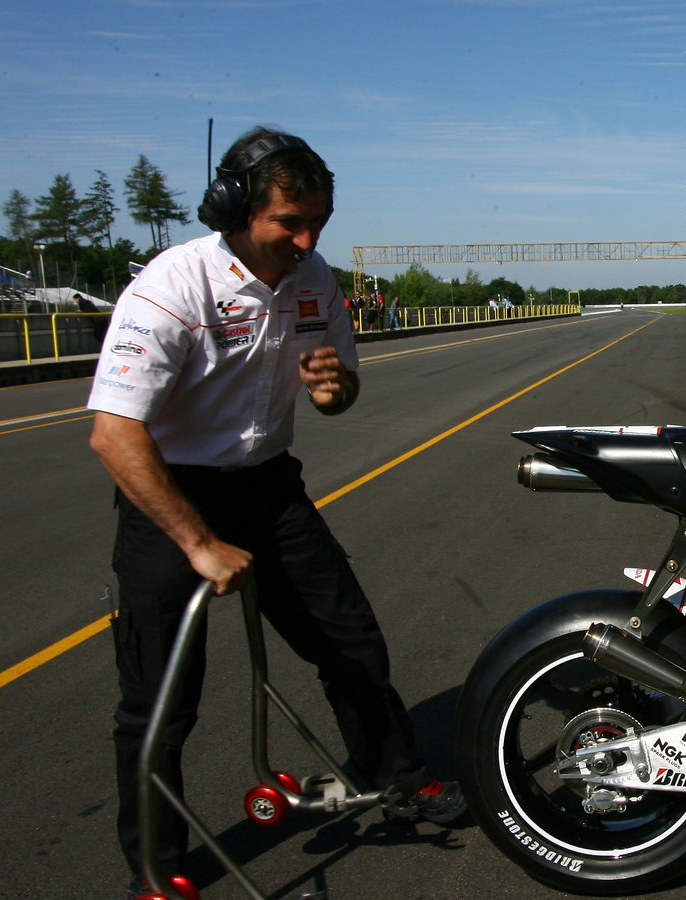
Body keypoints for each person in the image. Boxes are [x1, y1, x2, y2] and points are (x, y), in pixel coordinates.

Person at [87, 127, 465, 894]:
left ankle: (394, 776)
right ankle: (156, 873)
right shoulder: (170, 288)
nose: (306, 239)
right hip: (170, 497)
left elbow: (341, 388)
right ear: (232, 209)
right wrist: (197, 543)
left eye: (318, 222)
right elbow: (114, 434)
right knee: (160, 703)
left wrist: (333, 390)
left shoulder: (314, 279)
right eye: (289, 223)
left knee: (350, 642)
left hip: (270, 487)